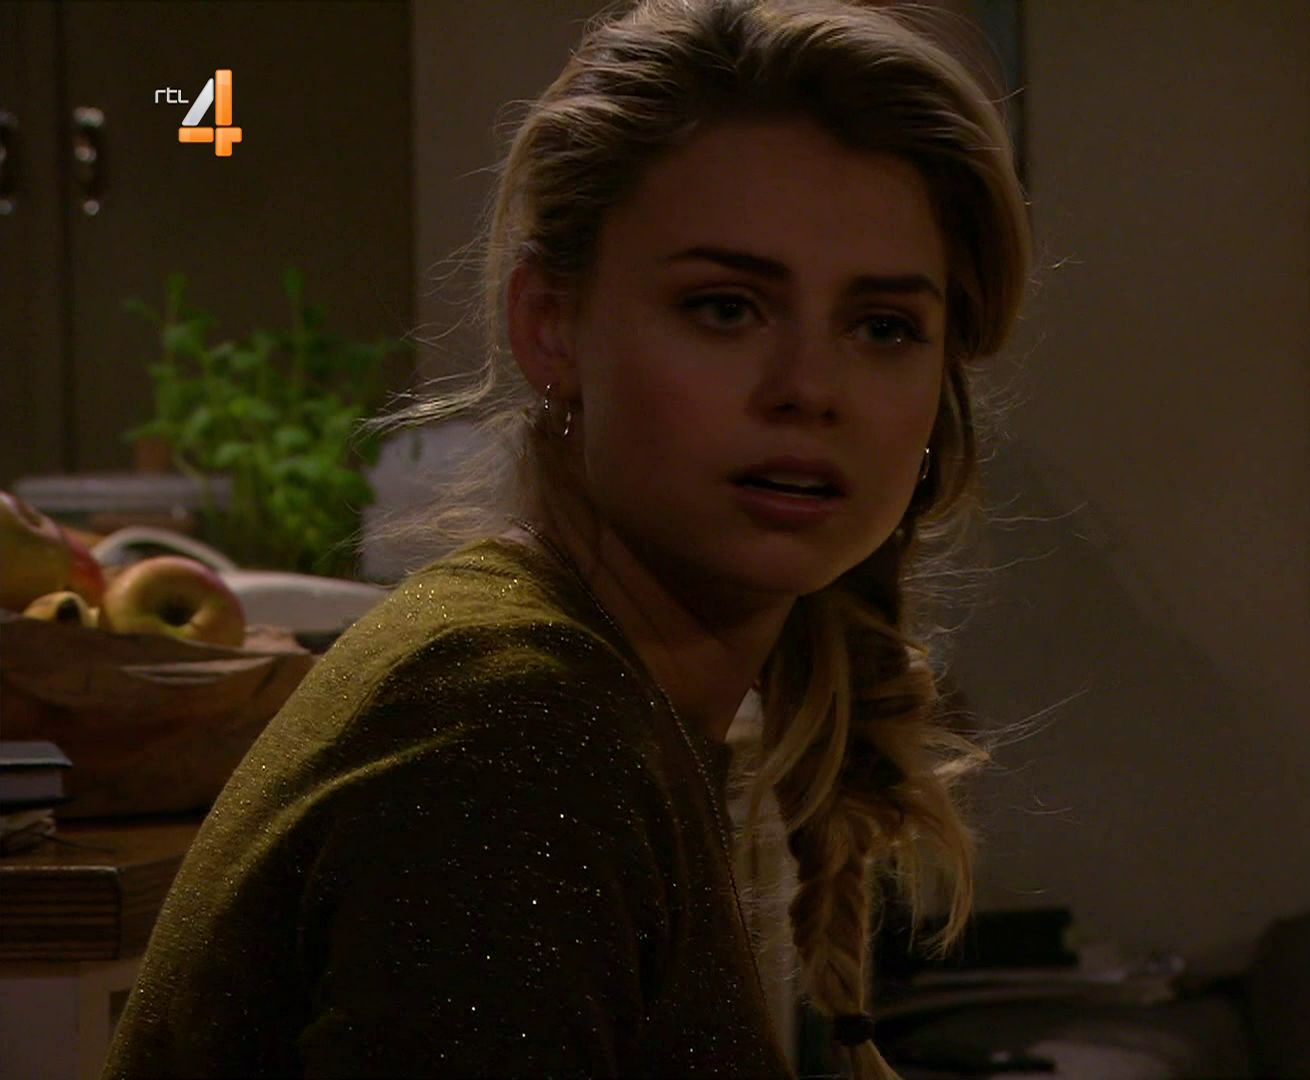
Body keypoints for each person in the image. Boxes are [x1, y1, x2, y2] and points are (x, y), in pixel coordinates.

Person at [102, 0, 1032, 1076]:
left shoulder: (592, 696)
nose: (809, 388)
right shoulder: (515, 732)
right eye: (726, 307)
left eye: (883, 327)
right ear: (551, 326)